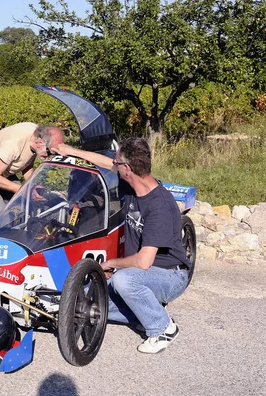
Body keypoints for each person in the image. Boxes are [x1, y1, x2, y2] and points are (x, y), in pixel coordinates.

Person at [53, 137, 191, 354]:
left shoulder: (159, 207)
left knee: (123, 280)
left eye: (117, 163)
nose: (113, 165)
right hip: (143, 272)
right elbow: (105, 163)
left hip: (169, 275)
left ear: (127, 168)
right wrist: (69, 150)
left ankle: (163, 328)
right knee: (88, 299)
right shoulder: (131, 183)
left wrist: (111, 264)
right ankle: (142, 311)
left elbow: (143, 262)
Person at [0, 123, 65, 224]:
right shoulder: (13, 145)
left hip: (5, 169)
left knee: (20, 206)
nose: (50, 156)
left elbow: (27, 165)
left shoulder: (37, 135)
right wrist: (26, 190)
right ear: (40, 143)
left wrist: (32, 185)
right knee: (1, 218)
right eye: (50, 152)